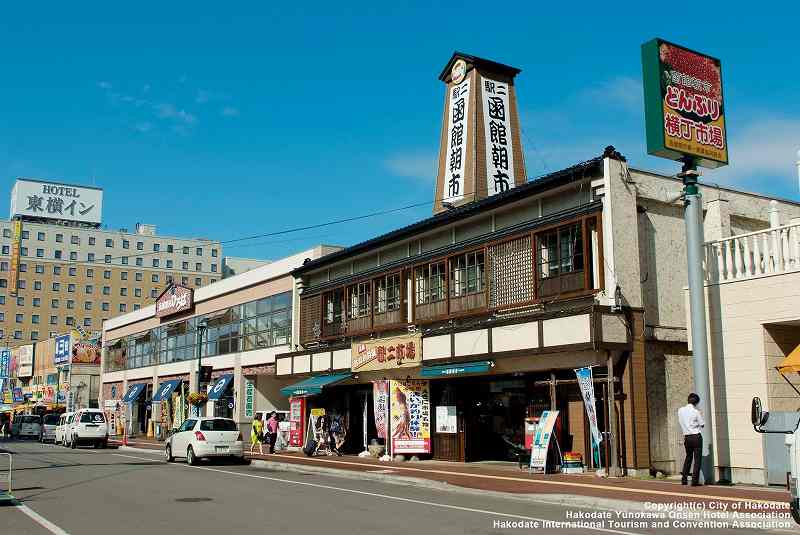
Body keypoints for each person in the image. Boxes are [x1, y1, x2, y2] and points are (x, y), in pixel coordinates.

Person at [678, 392, 705, 486]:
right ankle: (694, 481)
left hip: (687, 437)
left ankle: (684, 479)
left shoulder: (680, 410)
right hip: (696, 436)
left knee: (688, 457)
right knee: (697, 459)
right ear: (696, 402)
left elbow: (682, 421)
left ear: (688, 400)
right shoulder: (696, 412)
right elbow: (702, 424)